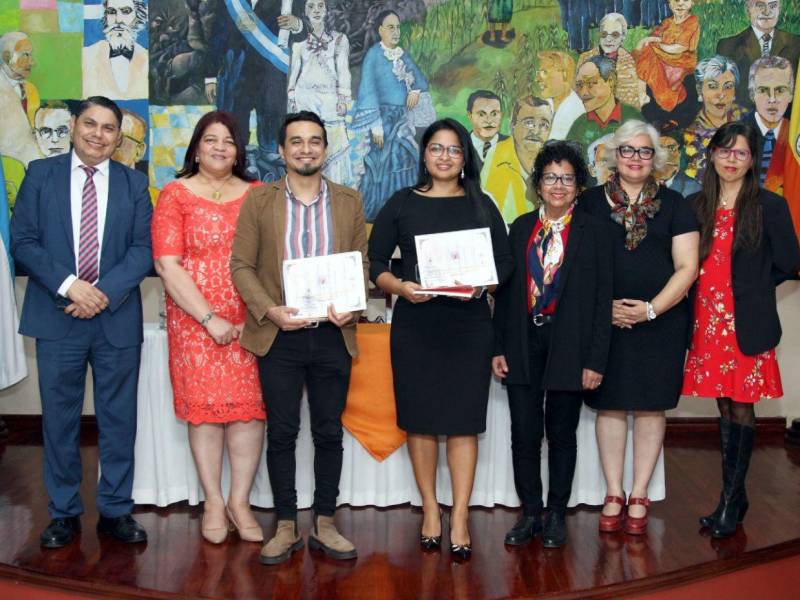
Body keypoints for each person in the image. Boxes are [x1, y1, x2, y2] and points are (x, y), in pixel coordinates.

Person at [10, 96, 153, 548]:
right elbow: (24, 242)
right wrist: (72, 286)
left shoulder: (134, 184)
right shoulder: (40, 175)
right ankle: (64, 513)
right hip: (59, 316)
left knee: (118, 419)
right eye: (89, 124)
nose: (98, 134)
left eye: (109, 128)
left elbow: (142, 251)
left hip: (114, 317)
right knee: (59, 421)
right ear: (73, 126)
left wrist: (101, 293)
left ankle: (115, 510)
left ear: (118, 137)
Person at [369, 118, 513, 558]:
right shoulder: (402, 202)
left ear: (464, 156)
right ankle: (431, 509)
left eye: (454, 149)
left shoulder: (481, 204)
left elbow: (505, 262)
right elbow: (375, 261)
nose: (445, 156)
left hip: (469, 326)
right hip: (417, 325)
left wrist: (486, 284)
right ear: (425, 155)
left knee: (464, 423)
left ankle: (462, 514)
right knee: (422, 422)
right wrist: (399, 288)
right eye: (437, 148)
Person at [230, 111, 368, 565]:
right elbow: (242, 267)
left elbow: (361, 265)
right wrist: (269, 309)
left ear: (326, 150)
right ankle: (286, 523)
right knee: (283, 432)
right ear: (282, 150)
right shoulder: (259, 202)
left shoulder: (350, 201)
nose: (305, 149)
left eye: (314, 141)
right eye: (296, 142)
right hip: (280, 334)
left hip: (333, 335)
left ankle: (325, 522)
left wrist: (354, 300)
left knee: (329, 431)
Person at [578, 120, 699, 535]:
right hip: (605, 324)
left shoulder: (677, 205)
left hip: (660, 323)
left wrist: (649, 310)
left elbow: (687, 269)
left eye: (644, 151)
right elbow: (577, 265)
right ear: (614, 155)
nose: (635, 158)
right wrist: (602, 310)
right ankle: (613, 491)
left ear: (656, 159)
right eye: (627, 150)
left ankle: (641, 491)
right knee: (609, 404)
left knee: (650, 406)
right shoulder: (589, 203)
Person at [152, 110, 266, 545]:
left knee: (247, 412)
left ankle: (240, 501)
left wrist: (253, 310)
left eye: (229, 141)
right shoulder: (175, 194)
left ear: (239, 151)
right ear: (196, 147)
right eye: (211, 139)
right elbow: (167, 264)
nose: (220, 147)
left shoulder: (257, 194)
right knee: (205, 414)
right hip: (194, 321)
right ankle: (213, 501)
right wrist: (208, 317)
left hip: (249, 319)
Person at [682, 122, 800, 538]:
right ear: (712, 155)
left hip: (746, 324)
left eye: (741, 153)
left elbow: (788, 261)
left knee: (742, 408)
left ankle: (731, 501)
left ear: (752, 161)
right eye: (724, 151)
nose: (731, 160)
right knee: (723, 407)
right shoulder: (695, 205)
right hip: (706, 324)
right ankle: (733, 496)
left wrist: (750, 291)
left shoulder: (769, 205)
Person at [492, 141, 612, 549]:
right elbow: (506, 295)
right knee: (524, 432)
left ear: (578, 186)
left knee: (561, 433)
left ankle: (557, 514)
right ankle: (530, 513)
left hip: (570, 344)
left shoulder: (595, 230)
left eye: (567, 178)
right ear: (538, 184)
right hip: (524, 340)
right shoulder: (521, 227)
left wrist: (595, 359)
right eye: (550, 177)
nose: (558, 186)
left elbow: (602, 301)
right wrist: (498, 347)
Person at [352, 9, 430, 221]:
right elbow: (368, 90)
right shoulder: (374, 55)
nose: (395, 32)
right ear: (380, 30)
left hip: (401, 119)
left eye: (397, 27)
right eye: (390, 27)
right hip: (382, 121)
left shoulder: (402, 54)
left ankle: (405, 211)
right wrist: (376, 125)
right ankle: (379, 212)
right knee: (381, 162)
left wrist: (414, 90)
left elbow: (421, 80)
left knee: (406, 158)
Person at [287, 0, 353, 186]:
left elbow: (343, 72)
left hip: (329, 101)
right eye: (311, 6)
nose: (316, 10)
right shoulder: (299, 43)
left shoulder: (339, 40)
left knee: (333, 146)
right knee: (308, 146)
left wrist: (343, 98)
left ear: (326, 10)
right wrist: (292, 97)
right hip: (305, 100)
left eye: (320, 6)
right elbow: (295, 73)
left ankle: (333, 192)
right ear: (305, 12)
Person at [716, 0, 800, 109]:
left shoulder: (796, 43)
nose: (767, 12)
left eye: (773, 6)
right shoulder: (728, 46)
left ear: (779, 9)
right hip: (744, 119)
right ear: (748, 10)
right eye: (760, 5)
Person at [683, 56, 744, 183]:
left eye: (728, 86)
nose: (721, 94)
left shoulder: (747, 120)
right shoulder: (689, 133)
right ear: (700, 89)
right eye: (712, 86)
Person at [633, 0, 699, 113]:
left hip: (681, 60)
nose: (680, 4)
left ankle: (644, 94)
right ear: (669, 4)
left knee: (647, 52)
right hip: (664, 56)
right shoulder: (667, 22)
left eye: (686, 0)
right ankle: (641, 93)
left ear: (692, 3)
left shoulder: (692, 22)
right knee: (644, 51)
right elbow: (655, 36)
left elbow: (679, 47)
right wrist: (650, 41)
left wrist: (656, 46)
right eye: (676, 0)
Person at [567, 56, 642, 151]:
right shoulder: (580, 124)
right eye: (579, 85)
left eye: (590, 83)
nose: (583, 93)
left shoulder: (632, 118)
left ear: (610, 81)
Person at [742, 56, 793, 188]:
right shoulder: (737, 133)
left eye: (780, 90)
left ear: (791, 94)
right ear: (752, 93)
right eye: (763, 90)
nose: (772, 99)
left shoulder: (794, 136)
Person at [578, 13, 647, 110]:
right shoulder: (584, 59)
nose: (608, 39)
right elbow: (577, 97)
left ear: (622, 37)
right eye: (604, 34)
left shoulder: (630, 63)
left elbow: (632, 104)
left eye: (615, 35)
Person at [82, 0, 149, 100]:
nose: (118, 20)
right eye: (111, 12)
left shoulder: (147, 59)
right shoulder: (87, 55)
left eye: (126, 11)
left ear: (138, 16)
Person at [0, 31, 40, 166]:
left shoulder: (31, 89)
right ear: (6, 57)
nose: (32, 62)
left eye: (31, 55)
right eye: (25, 55)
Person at [535, 51, 585, 140]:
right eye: (538, 73)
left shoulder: (578, 111)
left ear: (564, 75)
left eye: (544, 72)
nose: (537, 79)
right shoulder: (543, 105)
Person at [466, 89, 507, 173]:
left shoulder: (513, 145)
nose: (489, 120)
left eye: (494, 114)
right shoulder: (461, 145)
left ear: (501, 115)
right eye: (481, 114)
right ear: (470, 116)